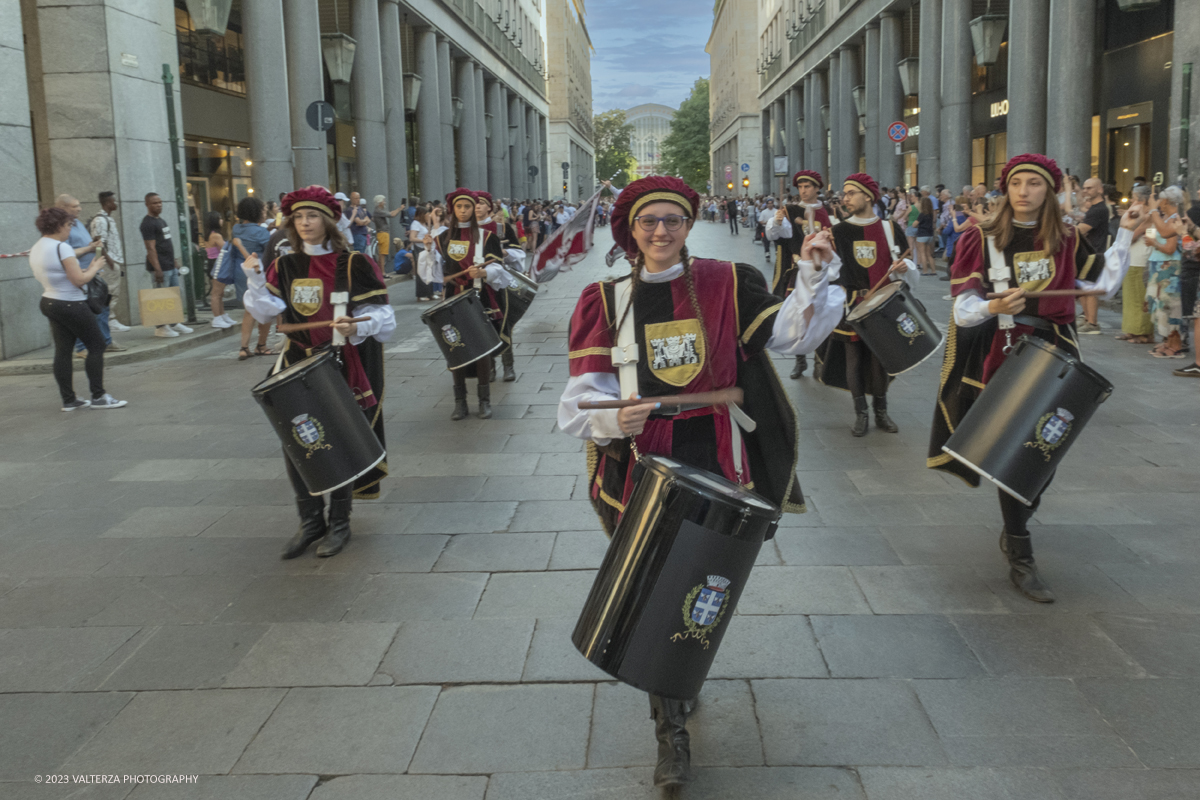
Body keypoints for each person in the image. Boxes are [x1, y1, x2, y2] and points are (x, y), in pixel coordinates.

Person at [558, 176, 843, 790]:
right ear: (629, 229)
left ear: (689, 224)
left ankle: (675, 677)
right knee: (654, 585)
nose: (661, 231)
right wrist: (612, 414)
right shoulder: (604, 300)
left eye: (673, 220)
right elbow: (581, 398)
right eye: (648, 221)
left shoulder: (727, 283)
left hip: (717, 457)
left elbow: (793, 336)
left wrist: (814, 275)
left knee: (701, 581)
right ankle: (670, 728)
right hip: (640, 460)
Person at [927, 153, 1141, 603]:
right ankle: (1021, 551)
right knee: (1015, 454)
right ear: (1005, 189)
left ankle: (1017, 523)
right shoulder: (981, 238)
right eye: (1017, 183)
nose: (1024, 191)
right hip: (1003, 353)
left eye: (1034, 184)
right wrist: (991, 306)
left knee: (1044, 453)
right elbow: (964, 309)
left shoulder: (1065, 238)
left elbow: (1099, 284)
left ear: (1049, 190)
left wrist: (1126, 233)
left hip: (1057, 353)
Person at [242, 186, 394, 559]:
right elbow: (267, 312)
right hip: (296, 363)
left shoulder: (353, 262)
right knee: (296, 440)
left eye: (311, 216)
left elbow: (385, 316)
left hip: (339, 363)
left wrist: (357, 326)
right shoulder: (285, 264)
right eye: (298, 217)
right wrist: (255, 280)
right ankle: (310, 521)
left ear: (327, 221)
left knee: (337, 438)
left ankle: (339, 522)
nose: (305, 223)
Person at [814, 173, 911, 436]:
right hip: (852, 303)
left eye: (850, 193)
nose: (845, 198)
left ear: (867, 196)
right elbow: (829, 272)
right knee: (853, 360)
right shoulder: (837, 232)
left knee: (882, 359)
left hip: (885, 305)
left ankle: (881, 410)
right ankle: (861, 413)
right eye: (844, 194)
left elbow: (909, 268)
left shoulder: (890, 229)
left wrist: (904, 267)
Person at [30, 206, 127, 411]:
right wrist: (94, 267)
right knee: (97, 345)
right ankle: (99, 396)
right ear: (58, 225)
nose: (69, 229)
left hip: (49, 300)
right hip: (70, 302)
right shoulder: (61, 247)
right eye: (68, 225)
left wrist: (86, 255)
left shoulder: (39, 246)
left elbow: (60, 268)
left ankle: (69, 399)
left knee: (63, 351)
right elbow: (78, 280)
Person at [432, 188, 514, 419]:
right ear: (452, 210)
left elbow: (498, 268)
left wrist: (484, 273)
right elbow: (434, 273)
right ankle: (460, 402)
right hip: (451, 301)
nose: (464, 211)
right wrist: (428, 253)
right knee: (455, 350)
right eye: (459, 207)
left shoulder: (488, 237)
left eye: (467, 206)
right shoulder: (442, 238)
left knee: (481, 351)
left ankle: (484, 401)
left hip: (479, 299)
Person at [766, 170, 834, 379]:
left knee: (822, 316)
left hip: (824, 272)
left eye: (808, 187)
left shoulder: (829, 212)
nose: (803, 191)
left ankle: (821, 363)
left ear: (817, 189)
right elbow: (774, 235)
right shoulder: (790, 210)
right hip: (797, 272)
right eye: (801, 187)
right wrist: (776, 222)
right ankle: (800, 360)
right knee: (800, 317)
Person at [140, 192, 195, 339]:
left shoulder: (161, 221)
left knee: (173, 296)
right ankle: (160, 327)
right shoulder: (147, 223)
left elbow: (166, 243)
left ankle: (173, 323)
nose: (158, 205)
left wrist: (175, 261)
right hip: (160, 267)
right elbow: (150, 248)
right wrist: (157, 268)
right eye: (154, 203)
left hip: (170, 265)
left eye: (160, 202)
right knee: (160, 298)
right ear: (147, 204)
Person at [1145, 186, 1187, 358]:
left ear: (1165, 201)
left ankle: (1175, 344)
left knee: (1171, 306)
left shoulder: (1174, 219)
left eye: (1160, 201)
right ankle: (1168, 340)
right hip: (1163, 268)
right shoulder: (1168, 218)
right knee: (1162, 305)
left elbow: (1170, 248)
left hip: (1169, 268)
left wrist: (1154, 243)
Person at [230, 197, 274, 360]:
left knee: (249, 308)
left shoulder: (236, 228)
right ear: (256, 212)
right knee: (265, 308)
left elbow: (248, 235)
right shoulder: (262, 232)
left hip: (241, 272)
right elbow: (269, 251)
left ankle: (244, 347)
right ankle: (261, 345)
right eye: (263, 210)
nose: (265, 213)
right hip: (258, 273)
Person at [1117, 184, 1156, 345]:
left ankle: (1143, 332)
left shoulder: (1148, 216)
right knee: (1130, 297)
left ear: (1141, 199)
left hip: (1140, 259)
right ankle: (1132, 329)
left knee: (1139, 298)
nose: (1132, 200)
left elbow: (1132, 234)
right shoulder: (1144, 214)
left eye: (1134, 197)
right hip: (1133, 258)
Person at [89, 191, 130, 332]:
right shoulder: (100, 220)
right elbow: (97, 242)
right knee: (109, 292)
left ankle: (109, 320)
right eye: (113, 201)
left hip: (112, 262)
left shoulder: (108, 219)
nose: (116, 203)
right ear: (107, 203)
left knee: (113, 292)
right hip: (108, 263)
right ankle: (109, 320)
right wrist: (106, 261)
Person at [204, 211, 234, 329]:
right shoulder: (216, 235)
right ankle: (217, 318)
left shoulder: (211, 234)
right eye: (220, 218)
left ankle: (222, 315)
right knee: (216, 293)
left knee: (220, 293)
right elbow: (225, 248)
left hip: (216, 263)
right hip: (217, 262)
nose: (222, 220)